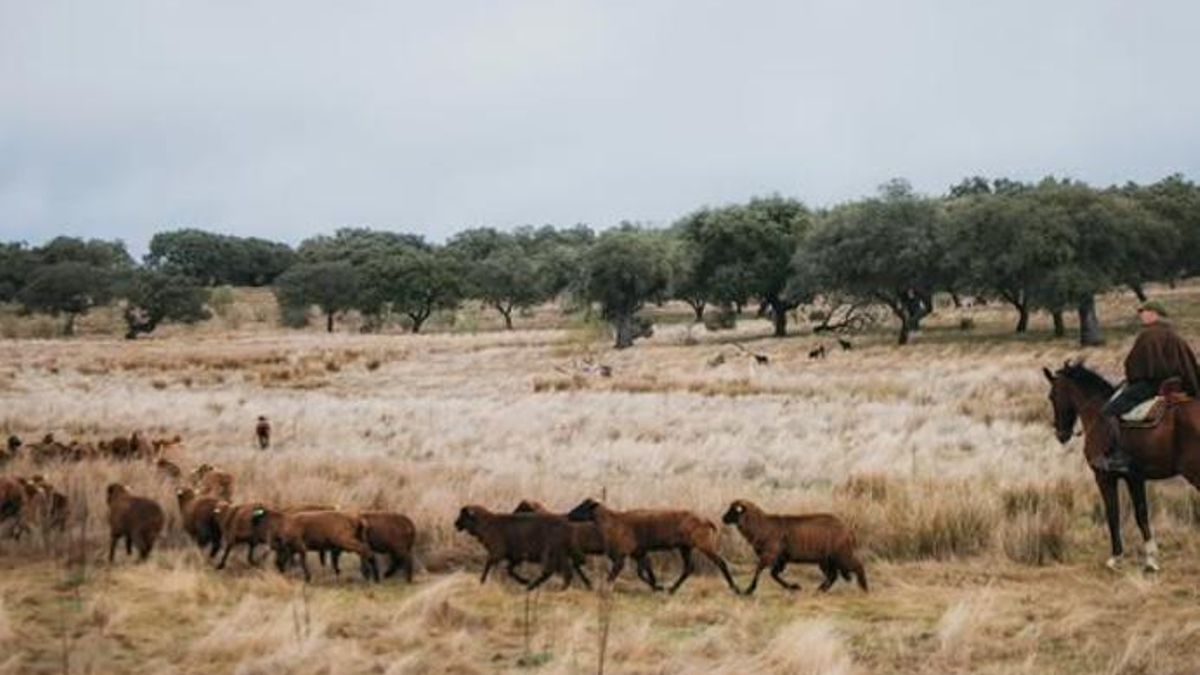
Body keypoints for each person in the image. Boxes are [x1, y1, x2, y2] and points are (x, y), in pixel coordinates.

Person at [1099, 300, 1200, 472]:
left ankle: (1119, 454)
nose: (1142, 316)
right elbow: (1188, 364)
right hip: (1175, 386)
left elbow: (1133, 364)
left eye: (1144, 312)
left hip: (1149, 386)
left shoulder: (1148, 335)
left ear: (1154, 313)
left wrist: (1133, 379)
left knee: (1109, 410)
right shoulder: (1174, 335)